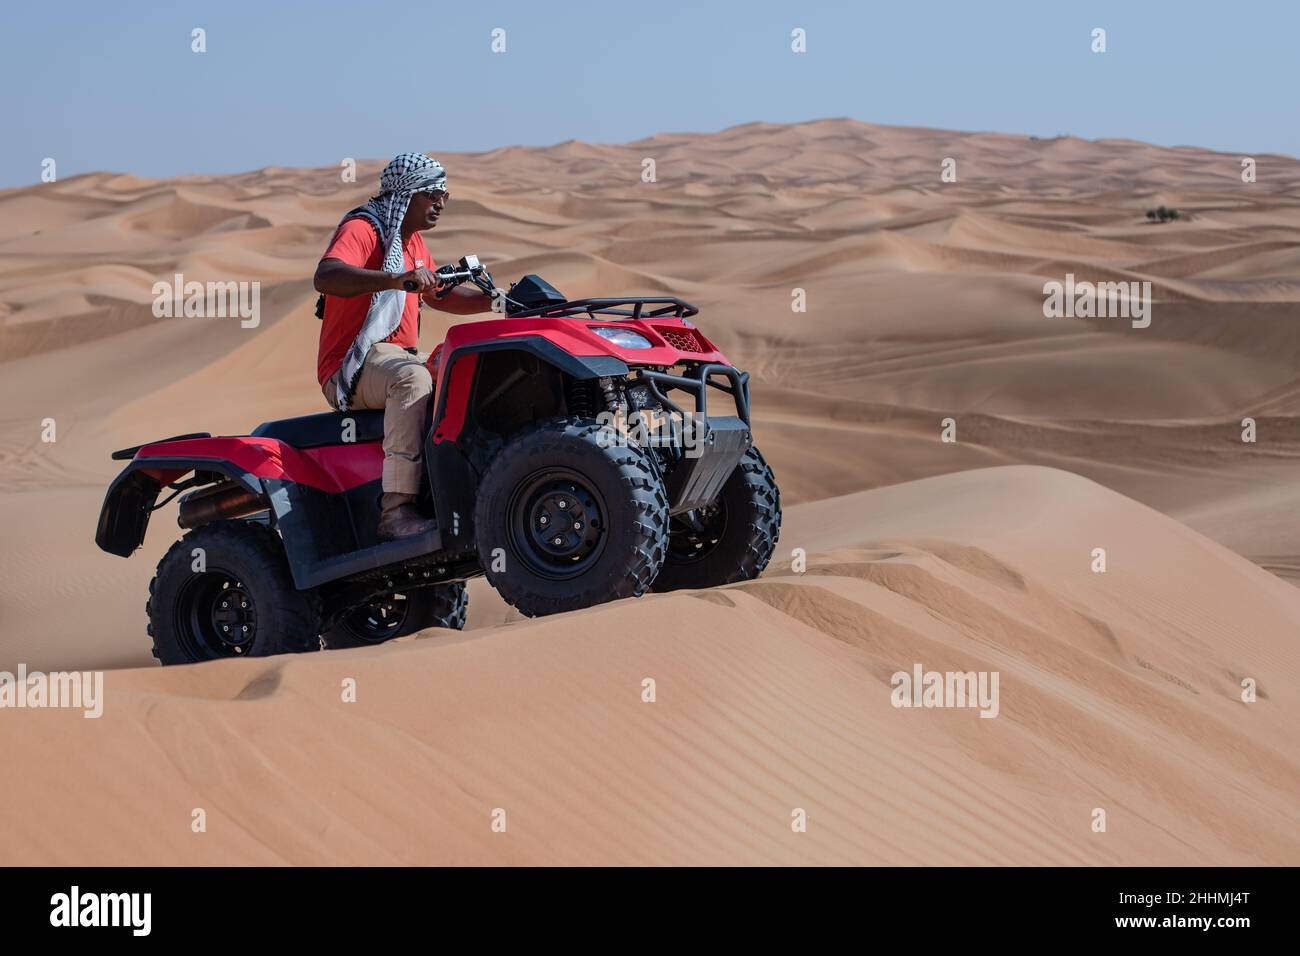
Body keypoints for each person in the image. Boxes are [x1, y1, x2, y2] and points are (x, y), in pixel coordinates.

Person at [314, 152, 492, 540]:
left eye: (444, 194)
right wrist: (396, 279)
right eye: (432, 194)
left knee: (463, 366)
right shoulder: (364, 229)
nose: (441, 202)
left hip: (397, 358)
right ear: (406, 194)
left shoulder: (412, 244)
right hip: (353, 364)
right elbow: (326, 276)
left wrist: (496, 303)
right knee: (412, 381)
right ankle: (395, 512)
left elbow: (441, 296)